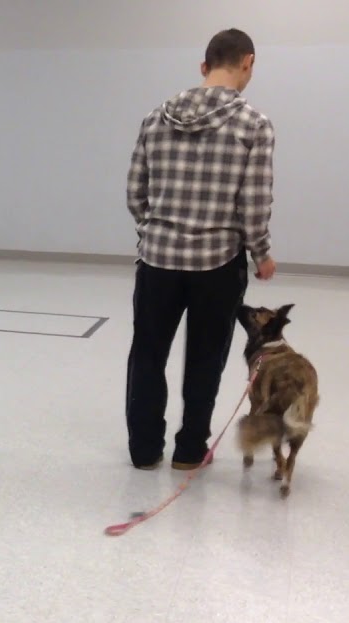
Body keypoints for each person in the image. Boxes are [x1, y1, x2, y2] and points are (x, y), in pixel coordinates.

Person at [124, 28, 278, 470]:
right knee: (205, 358)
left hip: (157, 261)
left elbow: (135, 193)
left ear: (204, 66)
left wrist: (154, 232)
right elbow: (253, 205)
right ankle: (190, 451)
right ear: (248, 62)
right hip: (218, 264)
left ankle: (144, 451)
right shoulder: (254, 125)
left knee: (148, 354)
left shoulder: (154, 118)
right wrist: (261, 253)